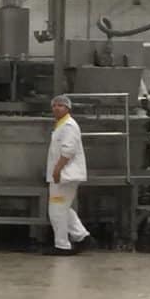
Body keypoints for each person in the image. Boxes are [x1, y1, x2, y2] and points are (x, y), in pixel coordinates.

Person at [47, 92, 92, 253]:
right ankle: (82, 237)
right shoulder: (61, 125)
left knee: (56, 210)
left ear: (68, 108)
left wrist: (57, 170)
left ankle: (62, 246)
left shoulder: (69, 126)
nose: (57, 108)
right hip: (63, 176)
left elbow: (68, 151)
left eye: (60, 105)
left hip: (64, 176)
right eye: (54, 105)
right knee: (64, 208)